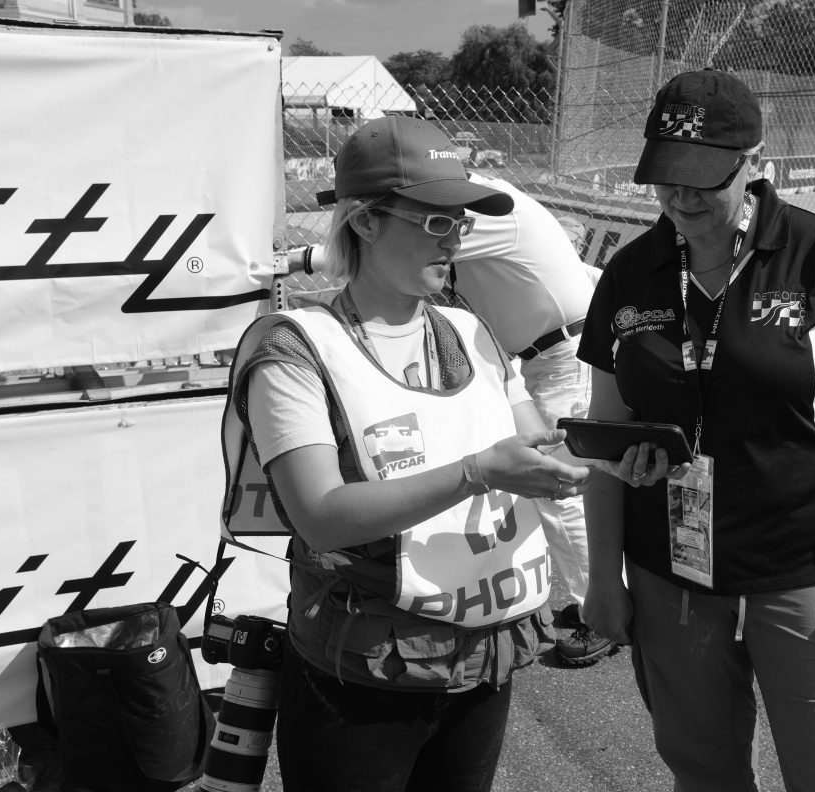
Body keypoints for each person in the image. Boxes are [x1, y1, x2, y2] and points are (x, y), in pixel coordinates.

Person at [220, 115, 590, 792]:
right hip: (360, 675)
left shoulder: (471, 330)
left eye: (462, 222)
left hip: (481, 662)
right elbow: (321, 516)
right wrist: (477, 472)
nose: (456, 240)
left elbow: (534, 445)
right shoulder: (293, 351)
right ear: (364, 221)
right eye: (436, 221)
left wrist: (597, 459)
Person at [577, 69, 815, 792]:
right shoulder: (631, 273)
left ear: (755, 162)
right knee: (703, 772)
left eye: (704, 179)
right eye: (666, 178)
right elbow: (605, 433)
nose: (682, 198)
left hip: (802, 575)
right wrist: (603, 577)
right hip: (671, 574)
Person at [449, 172, 614, 666]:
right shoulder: (478, 197)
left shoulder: (483, 204)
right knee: (565, 485)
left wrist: (302, 260)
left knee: (560, 488)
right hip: (549, 354)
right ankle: (606, 597)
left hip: (565, 353)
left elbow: (398, 249)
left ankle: (603, 615)